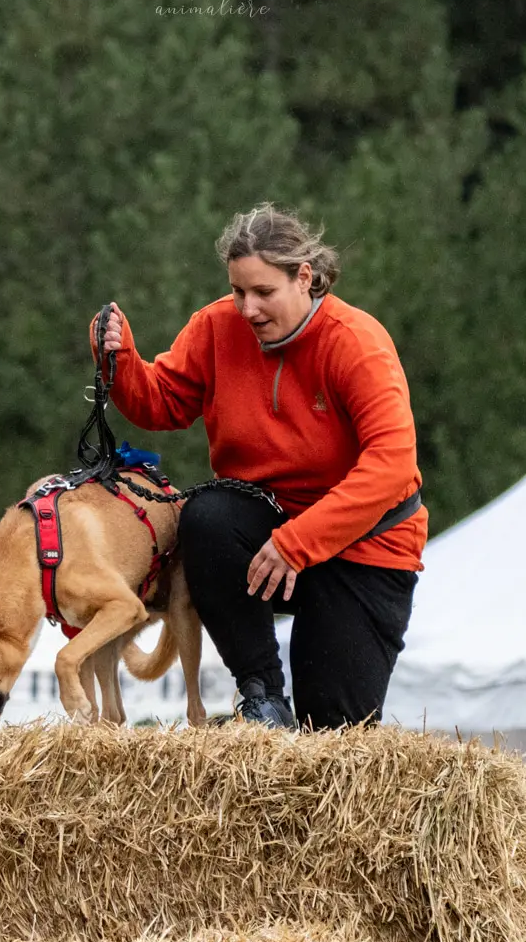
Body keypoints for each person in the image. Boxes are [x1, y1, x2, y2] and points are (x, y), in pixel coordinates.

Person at [91, 204, 425, 729]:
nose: (248, 308)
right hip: (265, 527)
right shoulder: (217, 326)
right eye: (238, 291)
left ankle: (306, 716)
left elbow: (391, 465)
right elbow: (163, 403)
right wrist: (123, 361)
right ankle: (261, 694)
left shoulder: (356, 343)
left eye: (263, 292)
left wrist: (299, 543)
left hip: (366, 544)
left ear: (305, 279)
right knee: (205, 516)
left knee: (333, 736)